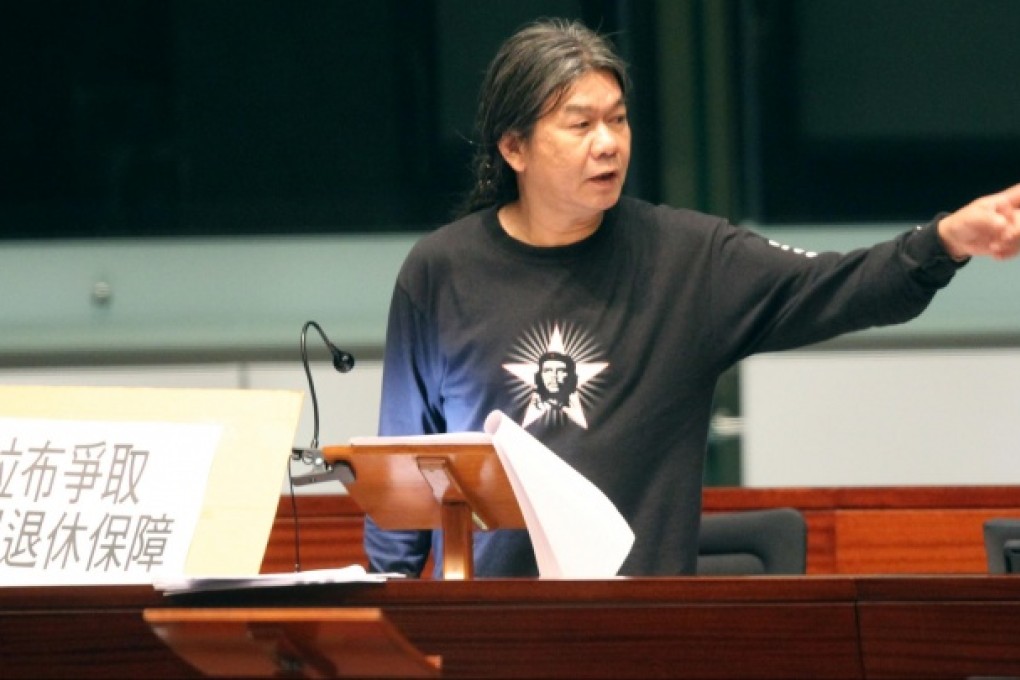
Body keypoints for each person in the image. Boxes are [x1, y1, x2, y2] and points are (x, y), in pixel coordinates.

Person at [364, 18, 1020, 578]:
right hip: (494, 639)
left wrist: (945, 240)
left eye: (618, 120)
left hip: (648, 632)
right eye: (581, 123)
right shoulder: (440, 273)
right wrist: (381, 613)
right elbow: (401, 481)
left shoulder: (688, 260)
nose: (609, 142)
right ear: (515, 148)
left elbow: (840, 286)